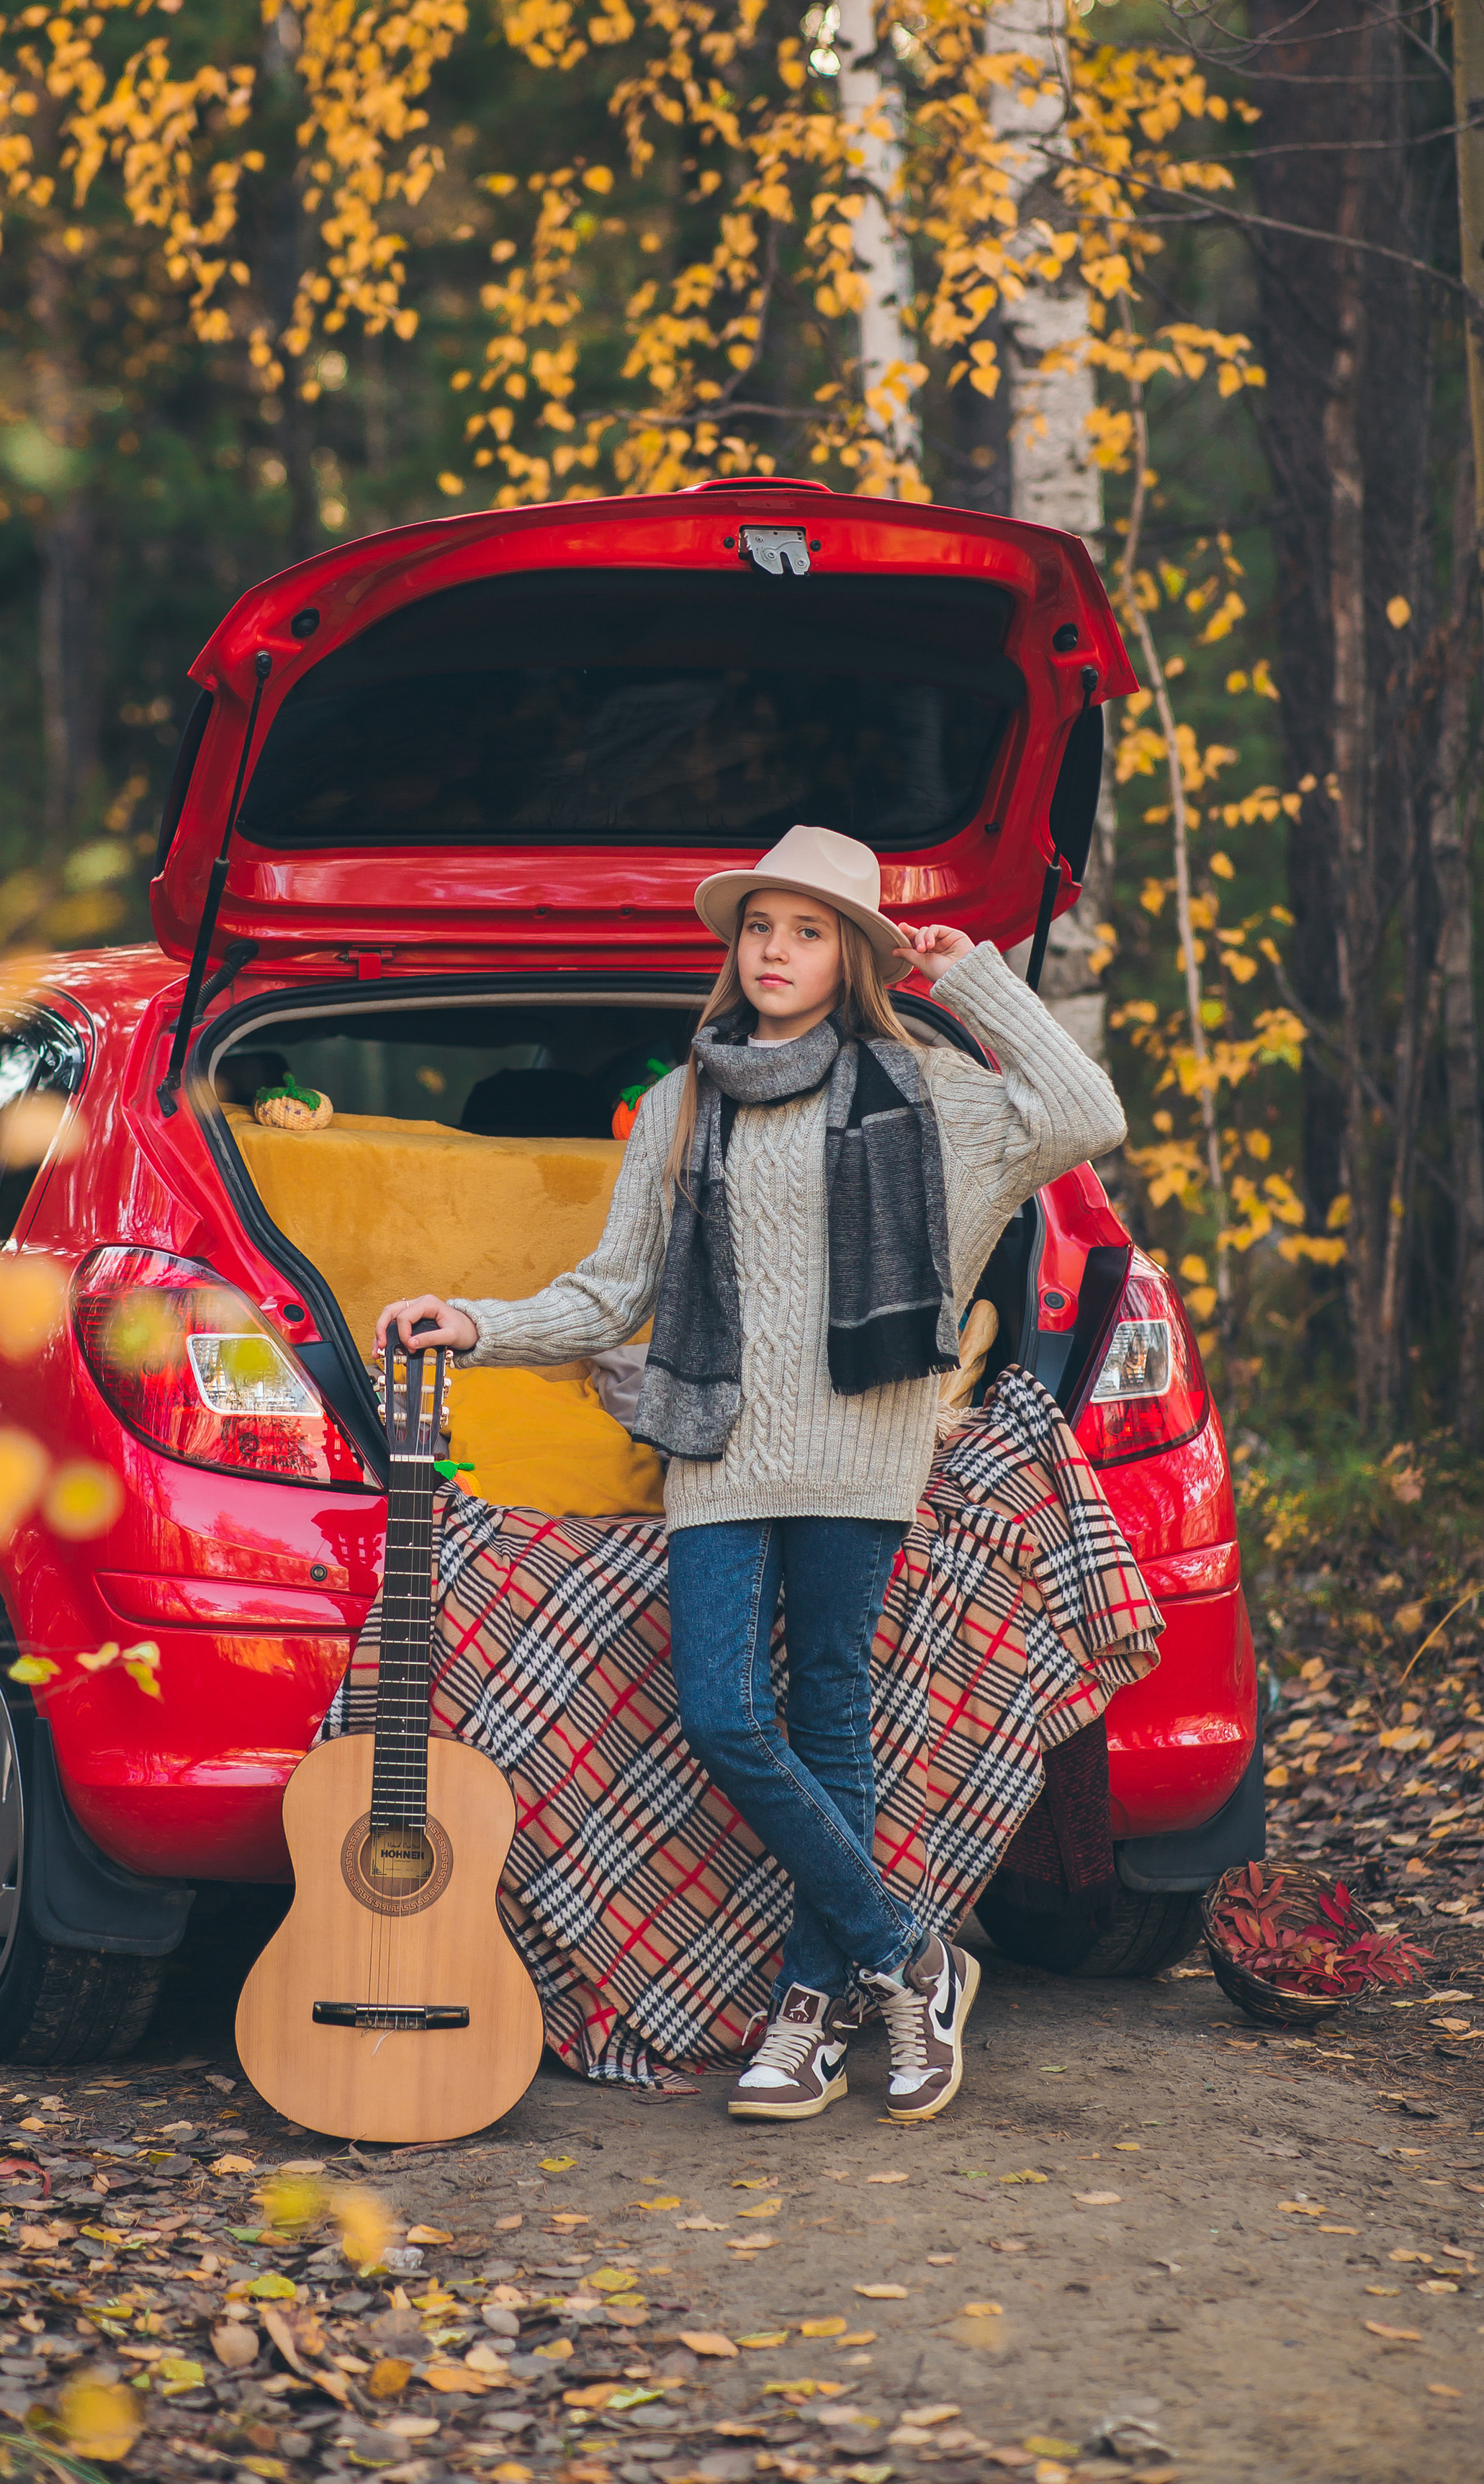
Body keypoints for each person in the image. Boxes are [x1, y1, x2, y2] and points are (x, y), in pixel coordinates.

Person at [375, 824, 1127, 2125]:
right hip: (717, 1449)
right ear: (735, 948)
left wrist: (977, 980)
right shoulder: (679, 1104)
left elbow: (1087, 1115)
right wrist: (480, 1323)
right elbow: (614, 1296)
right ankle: (910, 1957)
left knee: (831, 1719)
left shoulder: (928, 1087)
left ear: (853, 957)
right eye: (760, 928)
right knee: (726, 1713)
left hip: (861, 1447)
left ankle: (804, 2010)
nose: (776, 951)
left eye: (810, 930)